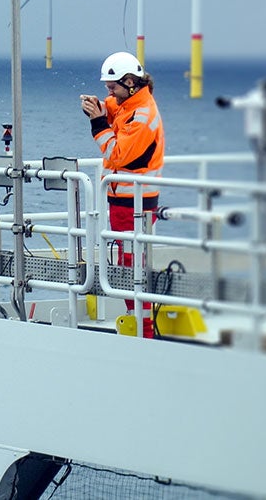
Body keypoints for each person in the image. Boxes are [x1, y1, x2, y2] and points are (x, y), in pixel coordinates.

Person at [80, 50, 164, 337]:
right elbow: (114, 109)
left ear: (130, 82)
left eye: (111, 86)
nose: (109, 92)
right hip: (125, 202)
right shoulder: (131, 104)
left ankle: (143, 328)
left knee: (132, 267)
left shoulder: (142, 115)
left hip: (135, 204)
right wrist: (100, 107)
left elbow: (117, 154)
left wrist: (97, 123)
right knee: (127, 264)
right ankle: (136, 320)